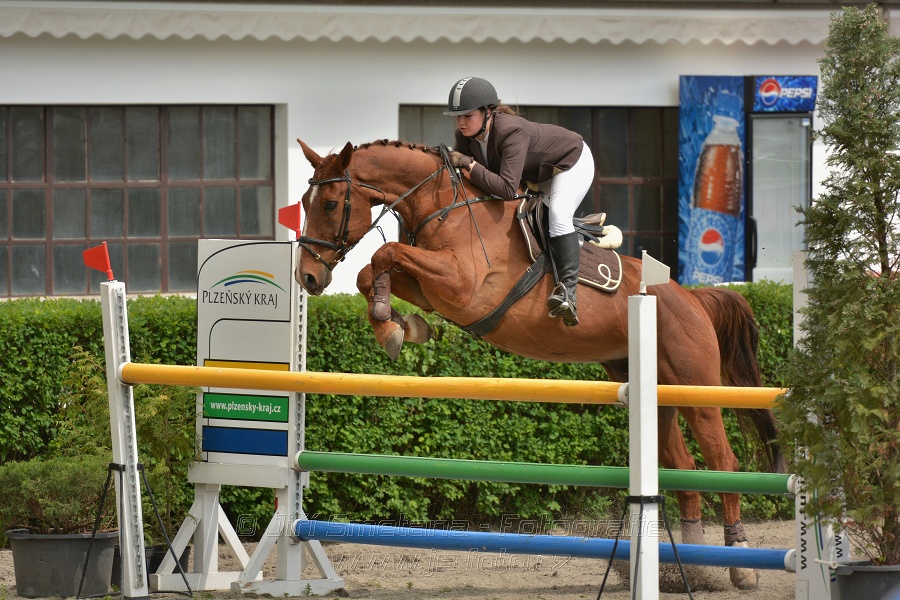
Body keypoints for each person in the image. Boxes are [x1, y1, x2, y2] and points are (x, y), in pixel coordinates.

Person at [443, 76, 596, 327]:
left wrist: (469, 164)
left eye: (467, 115)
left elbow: (505, 189)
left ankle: (568, 293)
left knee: (558, 214)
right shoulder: (466, 137)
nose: (460, 122)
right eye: (457, 116)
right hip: (536, 172)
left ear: (488, 112)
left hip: (570, 162)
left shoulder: (509, 131)